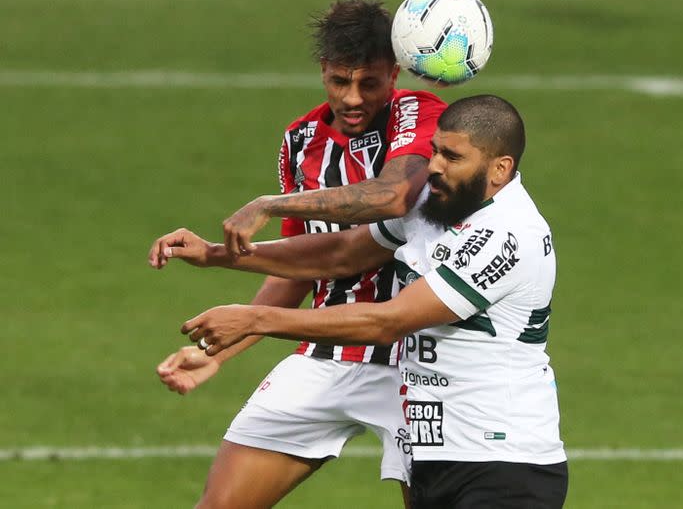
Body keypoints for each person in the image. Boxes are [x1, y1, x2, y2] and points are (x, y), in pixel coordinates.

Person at [151, 95, 569, 508]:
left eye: (452, 157)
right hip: (438, 457)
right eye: (435, 150)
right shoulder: (435, 204)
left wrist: (256, 319)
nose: (435, 166)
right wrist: (215, 254)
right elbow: (339, 254)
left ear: (500, 169)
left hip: (505, 463)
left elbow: (389, 321)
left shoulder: (508, 235)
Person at [154, 0, 447, 508]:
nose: (352, 98)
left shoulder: (421, 115)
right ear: (323, 71)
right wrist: (214, 353)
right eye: (339, 81)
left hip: (414, 362)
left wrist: (268, 204)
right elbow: (302, 264)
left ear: (394, 72)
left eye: (370, 83)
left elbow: (392, 196)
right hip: (325, 350)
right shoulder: (302, 141)